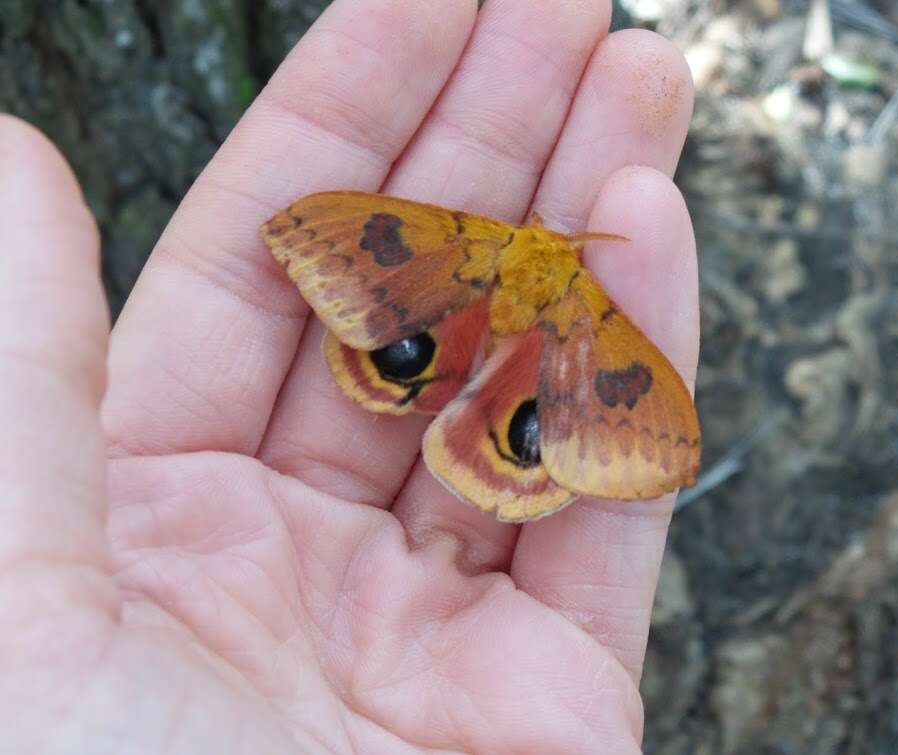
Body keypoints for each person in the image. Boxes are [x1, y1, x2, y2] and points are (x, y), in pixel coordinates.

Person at [1, 1, 698, 751]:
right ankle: (497, 424)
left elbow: (651, 440)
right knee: (511, 408)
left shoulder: (472, 240)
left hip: (475, 304)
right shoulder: (585, 305)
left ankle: (450, 387)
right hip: (527, 337)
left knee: (487, 376)